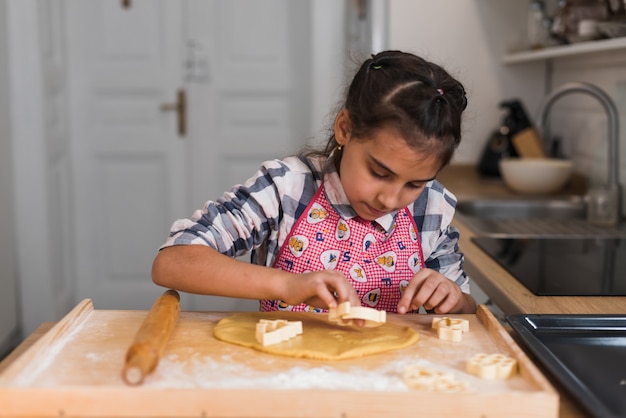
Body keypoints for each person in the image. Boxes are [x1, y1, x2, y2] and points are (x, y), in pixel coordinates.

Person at [152, 50, 476, 316]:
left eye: (415, 184)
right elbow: (173, 262)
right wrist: (287, 286)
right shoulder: (286, 189)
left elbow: (467, 310)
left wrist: (454, 299)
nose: (390, 200)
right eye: (379, 173)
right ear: (345, 129)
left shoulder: (432, 208)